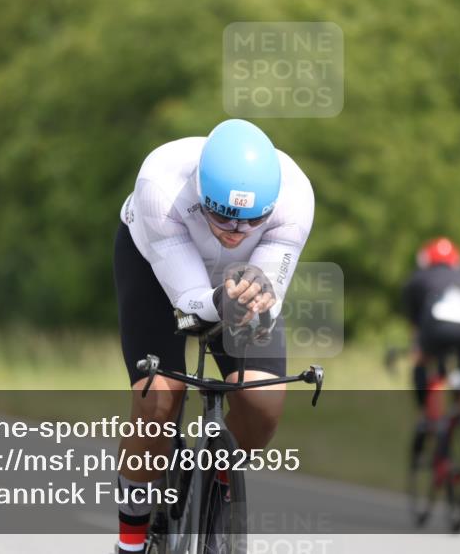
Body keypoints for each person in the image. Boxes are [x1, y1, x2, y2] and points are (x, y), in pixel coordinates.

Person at [113, 119, 314, 553]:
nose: (236, 231)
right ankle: (130, 540)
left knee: (262, 403)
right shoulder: (161, 185)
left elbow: (266, 296)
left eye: (253, 220)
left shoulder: (296, 198)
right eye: (222, 215)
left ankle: (215, 479)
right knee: (158, 401)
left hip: (237, 282)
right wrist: (221, 299)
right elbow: (188, 305)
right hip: (157, 269)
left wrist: (253, 296)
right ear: (201, 193)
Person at [401, 237, 460, 510]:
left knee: (423, 362)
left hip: (438, 330)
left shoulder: (419, 278)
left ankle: (428, 416)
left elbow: (416, 328)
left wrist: (418, 349)